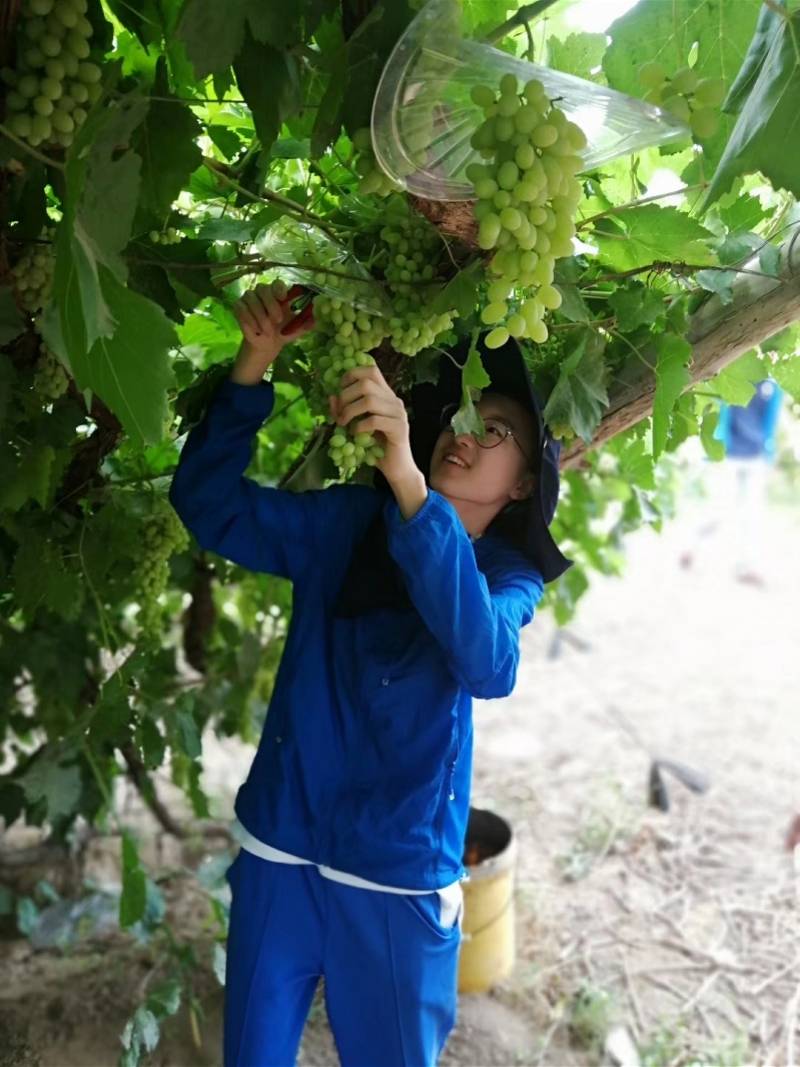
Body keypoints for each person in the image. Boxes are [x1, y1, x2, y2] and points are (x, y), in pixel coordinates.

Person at [168, 279, 574, 1067]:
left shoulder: (508, 576)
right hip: (280, 847)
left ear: (524, 483)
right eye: (460, 416)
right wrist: (253, 363)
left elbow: (488, 662)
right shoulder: (352, 524)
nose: (464, 434)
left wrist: (412, 488)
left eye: (494, 429)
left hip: (396, 880)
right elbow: (208, 504)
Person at [679, 377, 784, 587]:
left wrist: (769, 454)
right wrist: (715, 450)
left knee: (753, 513)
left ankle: (748, 566)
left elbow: (770, 422)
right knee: (718, 508)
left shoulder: (772, 386)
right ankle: (691, 549)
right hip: (728, 456)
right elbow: (724, 415)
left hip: (755, 457)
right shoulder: (735, 376)